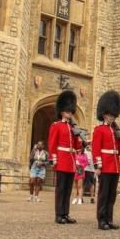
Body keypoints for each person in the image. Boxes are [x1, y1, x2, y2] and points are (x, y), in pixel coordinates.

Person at [48, 90, 83, 224]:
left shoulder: (73, 127)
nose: (70, 114)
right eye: (68, 111)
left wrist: (82, 142)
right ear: (62, 112)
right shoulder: (56, 126)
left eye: (71, 112)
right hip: (62, 159)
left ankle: (66, 213)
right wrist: (54, 159)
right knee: (61, 188)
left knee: (68, 189)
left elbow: (77, 146)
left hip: (71, 161)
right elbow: (52, 144)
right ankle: (59, 214)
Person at [92, 90, 120, 230]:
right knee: (104, 194)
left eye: (113, 115)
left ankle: (109, 219)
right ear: (104, 115)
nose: (112, 117)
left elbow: (119, 149)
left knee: (112, 195)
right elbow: (96, 149)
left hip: (115, 166)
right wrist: (98, 166)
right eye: (110, 115)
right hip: (105, 165)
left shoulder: (115, 131)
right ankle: (101, 220)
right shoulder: (99, 130)